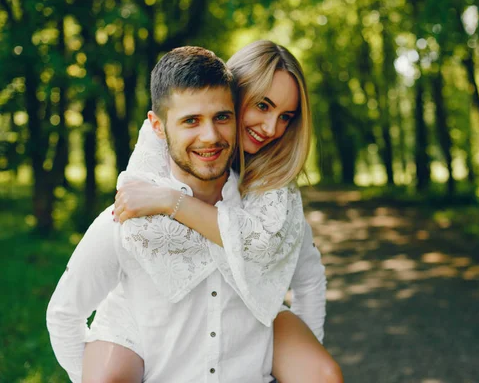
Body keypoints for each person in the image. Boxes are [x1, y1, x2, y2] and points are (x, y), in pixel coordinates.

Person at [46, 44, 341, 382]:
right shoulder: (134, 209)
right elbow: (65, 314)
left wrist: (295, 360)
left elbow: (308, 277)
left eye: (286, 116)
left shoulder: (274, 206)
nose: (273, 128)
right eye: (262, 106)